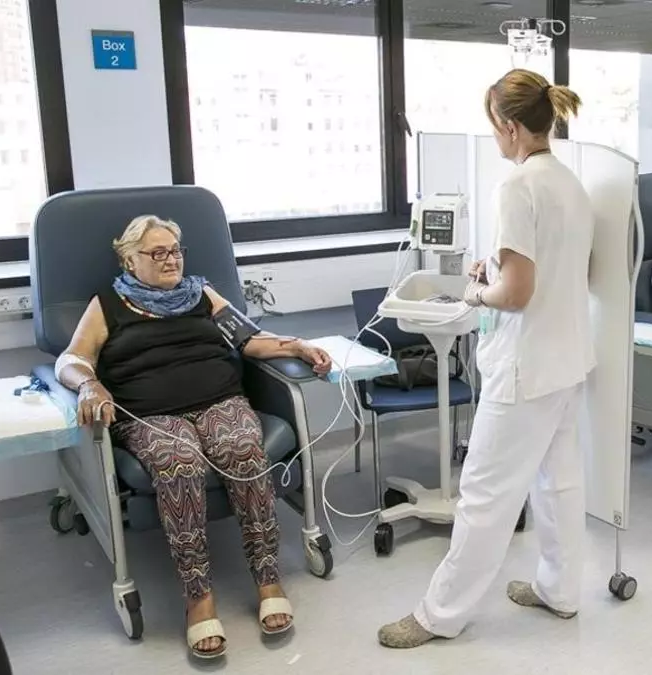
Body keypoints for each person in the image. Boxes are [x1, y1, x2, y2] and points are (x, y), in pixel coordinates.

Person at [378, 69, 595, 649]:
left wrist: (478, 292)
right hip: (568, 358)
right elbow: (550, 271)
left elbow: (517, 294)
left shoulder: (518, 186)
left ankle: (439, 615)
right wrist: (496, 270)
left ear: (509, 126)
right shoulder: (569, 183)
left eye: (494, 126)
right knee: (559, 483)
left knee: (482, 495)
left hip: (526, 367)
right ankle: (560, 590)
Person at [54, 215, 333, 659]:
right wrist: (88, 385)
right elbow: (71, 359)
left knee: (243, 449)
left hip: (220, 401)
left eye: (175, 251)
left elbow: (249, 340)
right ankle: (198, 596)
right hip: (150, 415)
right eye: (157, 253)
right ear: (129, 260)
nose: (171, 260)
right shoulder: (108, 304)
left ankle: (268, 578)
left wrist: (296, 344)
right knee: (179, 461)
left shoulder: (200, 294)